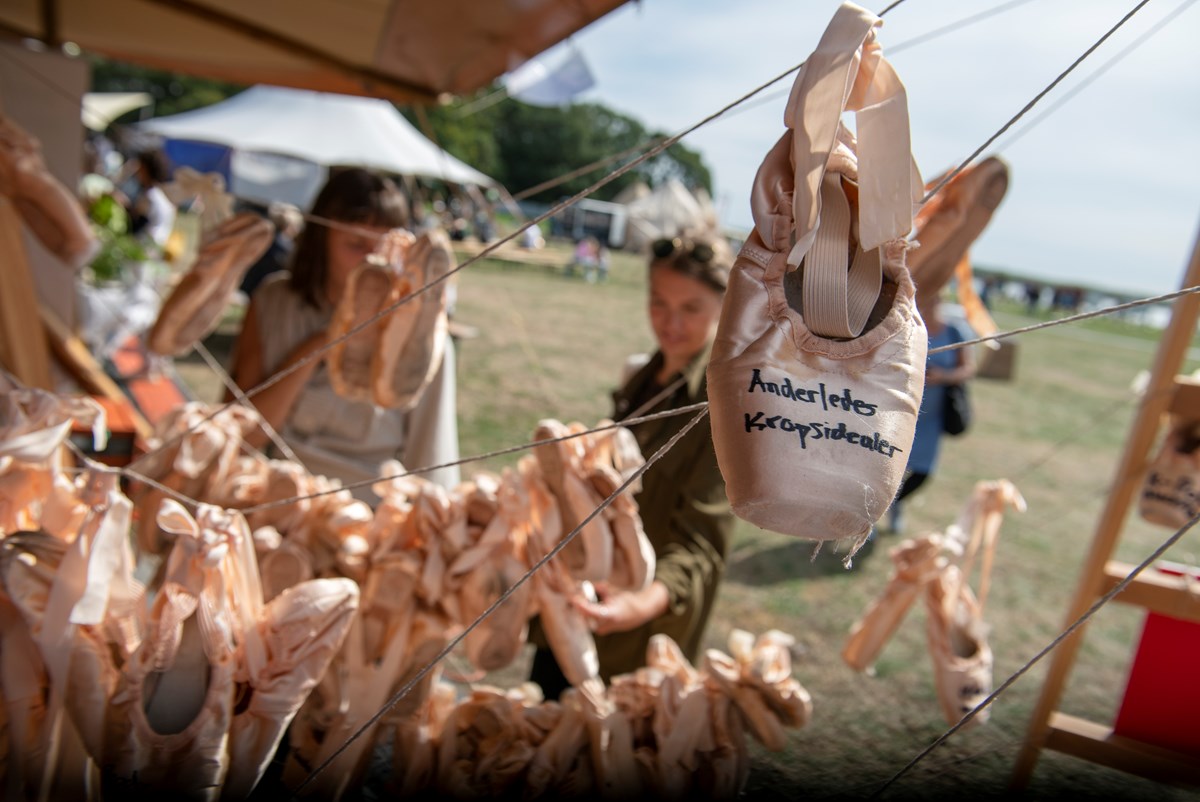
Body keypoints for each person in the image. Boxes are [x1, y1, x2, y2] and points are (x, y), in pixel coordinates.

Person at [530, 233, 735, 697]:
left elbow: (702, 545)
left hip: (634, 636)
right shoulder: (641, 376)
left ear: (724, 306)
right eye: (659, 302)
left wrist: (643, 602)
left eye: (691, 308)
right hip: (575, 603)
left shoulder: (724, 404)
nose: (671, 322)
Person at [229, 168, 460, 499]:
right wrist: (324, 342)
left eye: (387, 245)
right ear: (320, 239)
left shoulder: (421, 337)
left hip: (375, 507)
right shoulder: (275, 302)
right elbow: (241, 433)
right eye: (356, 244)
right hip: (283, 496)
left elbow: (432, 464)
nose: (374, 259)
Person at [887, 297, 976, 534]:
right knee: (887, 463)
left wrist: (943, 377)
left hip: (932, 415)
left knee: (923, 470)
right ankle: (872, 515)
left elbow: (967, 368)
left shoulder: (956, 331)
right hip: (899, 409)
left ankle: (894, 505)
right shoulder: (904, 324)